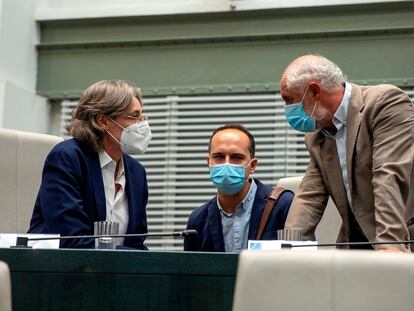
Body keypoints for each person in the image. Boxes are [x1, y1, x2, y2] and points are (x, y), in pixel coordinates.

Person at [280, 54, 414, 252]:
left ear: (314, 91)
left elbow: (388, 176)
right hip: (354, 247)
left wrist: (389, 245)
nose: (287, 108)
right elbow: (309, 198)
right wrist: (288, 248)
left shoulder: (383, 103)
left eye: (289, 99)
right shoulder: (316, 135)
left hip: (400, 240)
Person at [28, 80, 151, 249]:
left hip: (115, 274)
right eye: (135, 116)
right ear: (103, 121)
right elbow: (70, 239)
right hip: (62, 271)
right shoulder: (67, 158)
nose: (142, 124)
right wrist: (129, 256)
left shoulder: (137, 172)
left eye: (142, 116)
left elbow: (136, 243)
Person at [184, 124, 294, 252]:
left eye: (236, 157)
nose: (227, 164)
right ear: (209, 163)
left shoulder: (283, 205)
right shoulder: (197, 220)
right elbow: (190, 270)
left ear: (252, 165)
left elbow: (305, 264)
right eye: (219, 157)